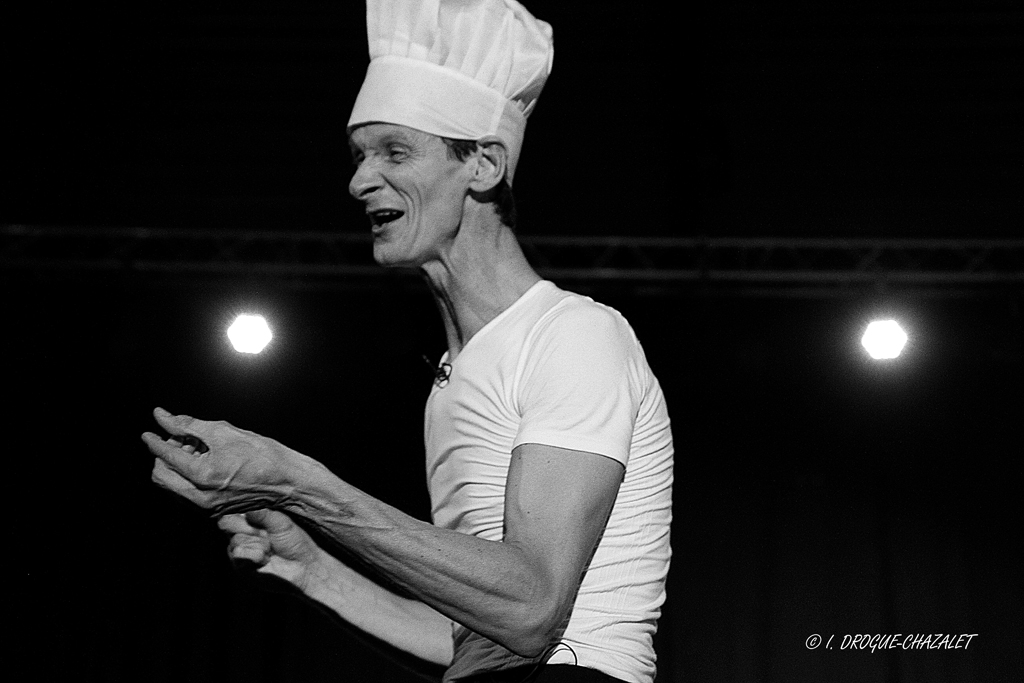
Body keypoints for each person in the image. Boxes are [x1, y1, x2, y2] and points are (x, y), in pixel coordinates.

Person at [142, 2, 673, 682]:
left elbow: (531, 605)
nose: (360, 181)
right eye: (360, 155)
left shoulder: (573, 335)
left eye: (394, 151)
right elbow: (475, 637)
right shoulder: (455, 373)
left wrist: (297, 481)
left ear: (482, 164)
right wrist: (308, 566)